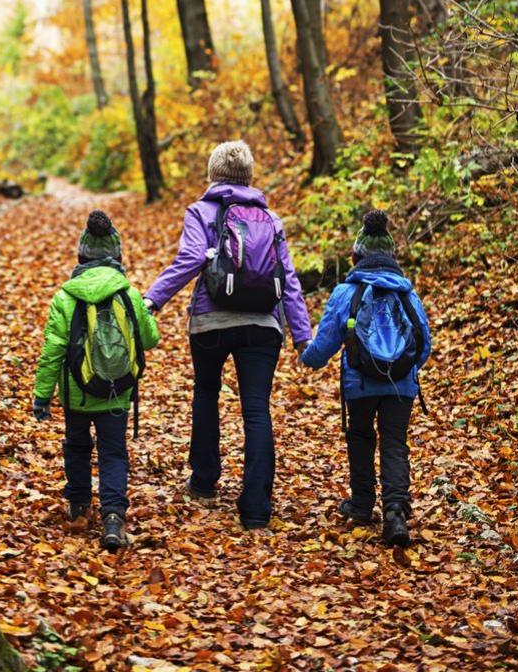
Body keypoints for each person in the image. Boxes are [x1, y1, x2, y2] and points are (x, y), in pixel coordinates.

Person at [144, 141, 311, 529]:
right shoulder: (272, 220)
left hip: (211, 321)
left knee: (206, 392)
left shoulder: (201, 212)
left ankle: (204, 479)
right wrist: (303, 336)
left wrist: (153, 299)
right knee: (256, 409)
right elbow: (288, 281)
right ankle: (255, 507)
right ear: (250, 177)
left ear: (212, 175)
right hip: (263, 324)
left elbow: (189, 260)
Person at [301, 209, 431, 548]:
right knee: (394, 442)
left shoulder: (346, 293)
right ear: (392, 256)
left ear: (355, 256)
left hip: (359, 384)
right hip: (400, 385)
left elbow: (325, 344)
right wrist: (405, 369)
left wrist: (307, 356)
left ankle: (361, 505)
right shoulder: (407, 293)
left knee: (359, 437)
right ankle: (395, 513)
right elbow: (424, 342)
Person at [33, 210, 159, 552]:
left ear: (80, 257)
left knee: (76, 445)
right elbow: (150, 339)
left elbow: (54, 349)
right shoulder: (129, 294)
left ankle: (77, 506)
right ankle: (114, 518)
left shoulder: (66, 297)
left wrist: (42, 395)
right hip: (117, 390)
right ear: (117, 257)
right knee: (113, 452)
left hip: (76, 392)